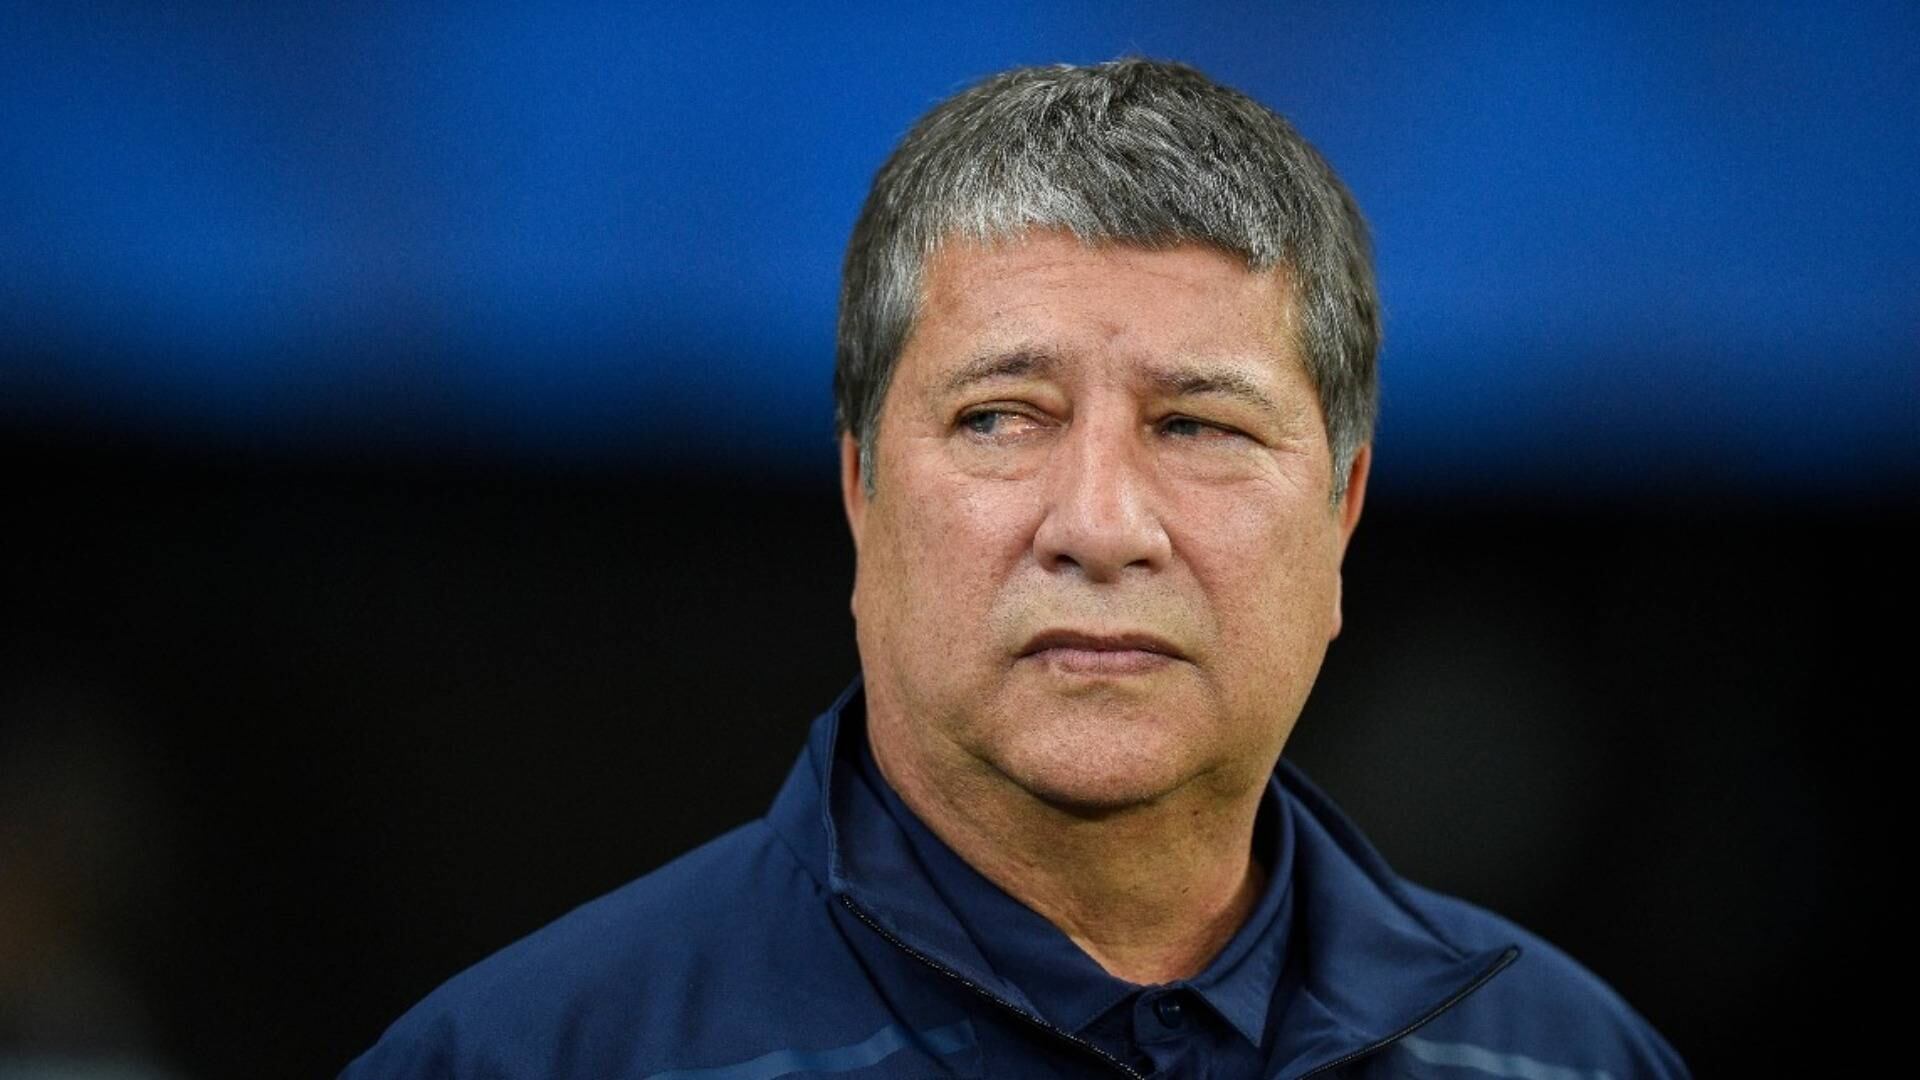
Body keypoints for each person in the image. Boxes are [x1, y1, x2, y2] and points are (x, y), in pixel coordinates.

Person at [346, 59, 1688, 1079]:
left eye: (1199, 425)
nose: (1100, 524)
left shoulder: (1566, 1059)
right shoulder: (530, 1058)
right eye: (1001, 418)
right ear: (860, 490)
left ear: (1342, 513)